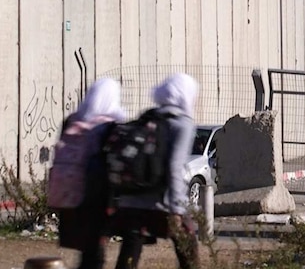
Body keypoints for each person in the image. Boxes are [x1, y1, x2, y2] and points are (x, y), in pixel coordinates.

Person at [112, 72, 200, 269]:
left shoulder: (148, 117)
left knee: (130, 252)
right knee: (188, 249)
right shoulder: (182, 123)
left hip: (132, 199)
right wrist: (177, 208)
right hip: (161, 203)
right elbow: (175, 166)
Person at [56, 77, 127, 269]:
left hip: (69, 192)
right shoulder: (110, 125)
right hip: (96, 195)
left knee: (88, 249)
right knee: (94, 252)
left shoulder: (71, 120)